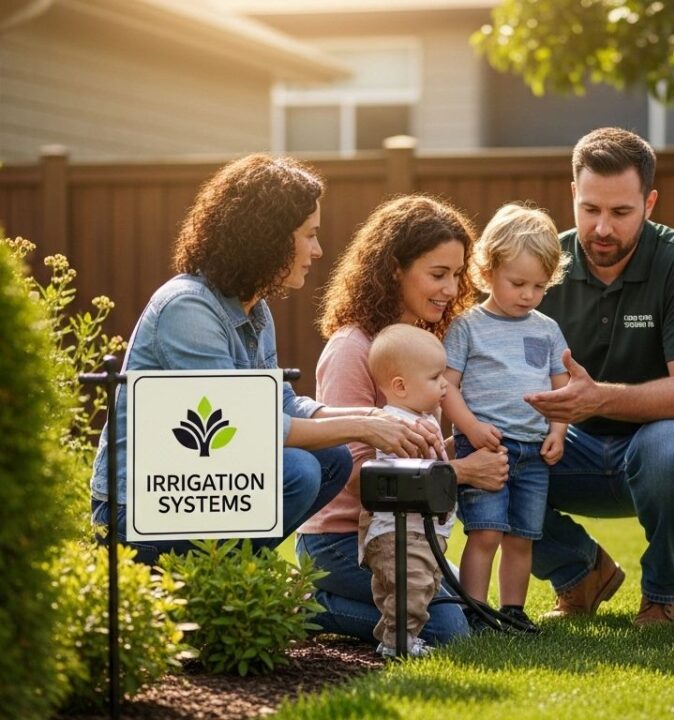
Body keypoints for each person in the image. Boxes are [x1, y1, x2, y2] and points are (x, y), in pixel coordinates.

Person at [91, 155, 439, 565]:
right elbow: (239, 425)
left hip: (199, 491)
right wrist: (363, 427)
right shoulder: (188, 309)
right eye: (309, 235)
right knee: (298, 471)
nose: (317, 250)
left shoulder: (254, 310)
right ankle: (217, 576)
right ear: (268, 237)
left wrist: (375, 417)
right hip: (138, 513)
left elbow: (283, 405)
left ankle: (227, 574)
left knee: (333, 459)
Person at [524, 127, 674, 625]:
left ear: (649, 203)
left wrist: (597, 399)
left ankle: (663, 591)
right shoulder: (543, 266)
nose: (602, 228)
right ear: (573, 193)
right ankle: (579, 572)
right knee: (478, 458)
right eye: (590, 209)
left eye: (620, 212)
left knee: (670, 446)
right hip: (572, 449)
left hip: (666, 454)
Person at [297, 194, 510, 647]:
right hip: (342, 540)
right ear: (394, 268)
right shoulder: (352, 349)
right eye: (438, 274)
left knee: (467, 606)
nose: (450, 289)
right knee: (447, 631)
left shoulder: (420, 343)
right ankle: (307, 605)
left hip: (404, 532)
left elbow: (413, 452)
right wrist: (463, 472)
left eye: (456, 274)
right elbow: (358, 476)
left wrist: (466, 446)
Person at [442, 203, 571, 634]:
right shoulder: (467, 326)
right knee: (486, 533)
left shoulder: (547, 330)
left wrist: (558, 430)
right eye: (518, 283)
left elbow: (562, 388)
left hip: (533, 451)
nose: (528, 295)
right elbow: (447, 387)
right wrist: (472, 429)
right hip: (486, 448)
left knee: (522, 537)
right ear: (488, 270)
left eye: (539, 286)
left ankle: (513, 610)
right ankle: (475, 610)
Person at [363, 324, 455, 658]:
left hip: (419, 533)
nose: (445, 383)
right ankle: (397, 643)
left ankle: (394, 638)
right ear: (400, 386)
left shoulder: (420, 417)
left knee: (414, 589)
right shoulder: (397, 425)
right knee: (410, 590)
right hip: (400, 532)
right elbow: (414, 473)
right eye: (435, 377)